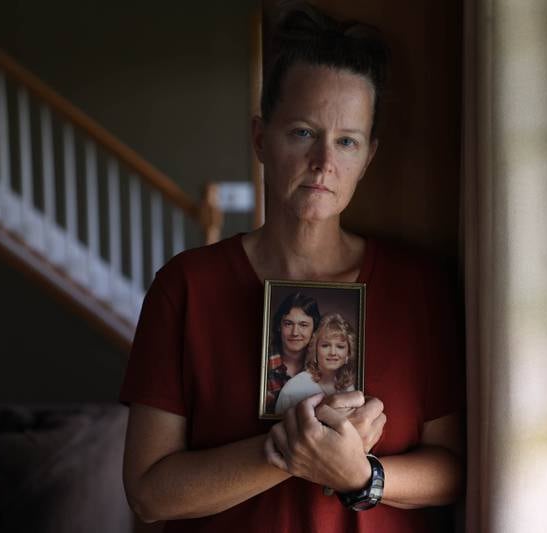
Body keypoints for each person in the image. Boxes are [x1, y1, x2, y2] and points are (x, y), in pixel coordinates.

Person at [120, 5, 463, 532]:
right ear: (261, 138)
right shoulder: (186, 287)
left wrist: (362, 475)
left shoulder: (418, 289)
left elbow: (453, 469)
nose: (324, 162)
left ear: (368, 157)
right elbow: (148, 492)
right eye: (303, 133)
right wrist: (283, 450)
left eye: (346, 141)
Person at [275, 313, 357, 414]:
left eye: (340, 347)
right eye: (325, 345)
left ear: (348, 354)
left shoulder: (349, 388)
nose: (332, 352)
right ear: (315, 350)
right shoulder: (293, 389)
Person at [265, 292, 321, 413]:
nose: (295, 332)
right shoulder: (263, 363)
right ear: (279, 326)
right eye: (288, 324)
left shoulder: (324, 366)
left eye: (303, 325)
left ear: (314, 329)